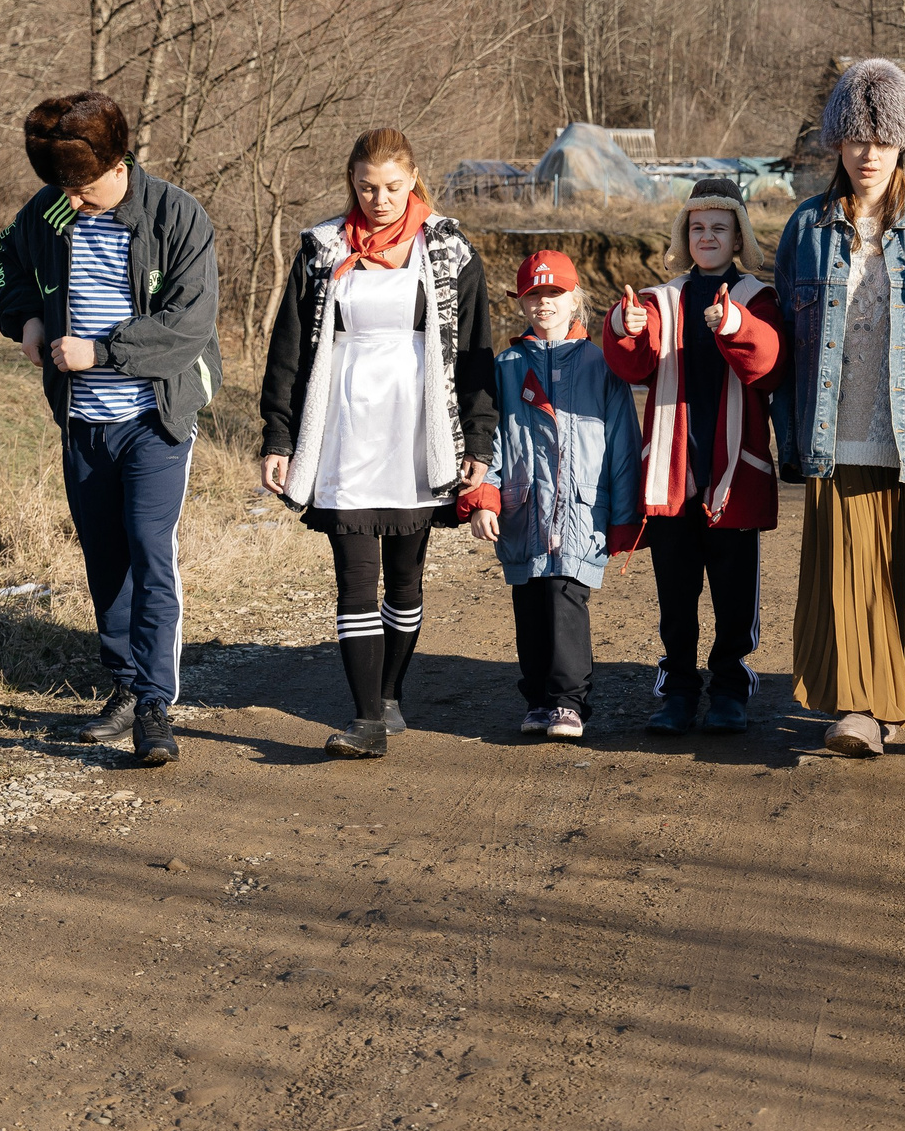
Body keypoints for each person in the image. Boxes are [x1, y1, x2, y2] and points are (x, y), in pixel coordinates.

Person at [0, 91, 223, 768]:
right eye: (66, 189)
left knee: (150, 551)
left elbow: (190, 325)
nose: (76, 200)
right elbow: (7, 263)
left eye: (85, 187)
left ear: (119, 163)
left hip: (155, 416)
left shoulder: (176, 216)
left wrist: (102, 351)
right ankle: (122, 686)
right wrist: (27, 319)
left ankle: (154, 705)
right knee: (105, 557)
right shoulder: (52, 209)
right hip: (82, 422)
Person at [773, 58, 905, 758]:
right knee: (846, 584)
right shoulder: (805, 227)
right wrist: (789, 438)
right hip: (834, 439)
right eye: (856, 139)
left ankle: (885, 701)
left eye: (884, 139)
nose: (869, 154)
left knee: (897, 580)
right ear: (836, 143)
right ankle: (862, 711)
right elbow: (782, 349)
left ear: (904, 147)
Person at [257, 128, 495, 760]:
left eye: (392, 187)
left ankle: (389, 694)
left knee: (406, 582)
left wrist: (478, 437)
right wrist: (276, 434)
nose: (380, 199)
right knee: (355, 581)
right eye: (367, 187)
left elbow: (475, 353)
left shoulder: (448, 248)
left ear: (413, 179)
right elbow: (288, 352)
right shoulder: (321, 248)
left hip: (418, 431)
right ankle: (365, 719)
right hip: (343, 428)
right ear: (351, 183)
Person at [603, 177, 788, 736]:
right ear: (686, 235)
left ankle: (731, 686)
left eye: (719, 228)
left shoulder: (759, 297)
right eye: (698, 227)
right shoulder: (660, 299)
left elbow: (772, 365)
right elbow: (631, 365)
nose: (707, 237)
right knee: (676, 599)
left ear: (738, 237)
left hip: (733, 474)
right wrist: (625, 327)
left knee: (735, 597)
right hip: (673, 474)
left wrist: (734, 326)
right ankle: (679, 687)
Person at [467, 250, 642, 741]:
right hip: (523, 509)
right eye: (533, 295)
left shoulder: (601, 364)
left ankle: (569, 702)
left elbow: (623, 442)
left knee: (567, 598)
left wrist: (625, 515)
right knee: (529, 602)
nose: (543, 303)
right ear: (520, 303)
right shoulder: (505, 366)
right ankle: (539, 700)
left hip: (583, 510)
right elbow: (489, 438)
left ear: (575, 301)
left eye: (554, 294)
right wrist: (485, 496)